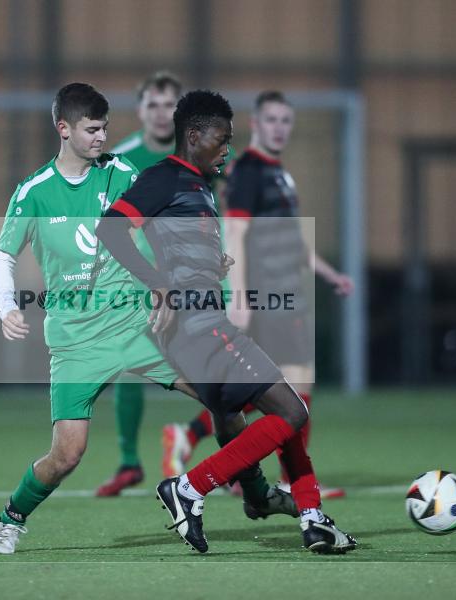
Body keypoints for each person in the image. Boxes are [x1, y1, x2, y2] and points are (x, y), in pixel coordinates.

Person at [0, 83, 294, 556]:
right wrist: (7, 307)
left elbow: (161, 220)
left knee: (222, 397)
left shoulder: (122, 172)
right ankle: (11, 519)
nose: (101, 137)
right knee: (68, 453)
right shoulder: (35, 193)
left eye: (105, 128)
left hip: (138, 325)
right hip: (76, 341)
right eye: (91, 129)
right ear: (62, 129)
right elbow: (3, 256)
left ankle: (255, 494)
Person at [96, 90, 356, 554]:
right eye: (222, 138)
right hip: (199, 326)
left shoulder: (198, 186)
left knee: (232, 422)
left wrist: (211, 265)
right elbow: (110, 229)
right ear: (193, 136)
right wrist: (158, 283)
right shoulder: (166, 177)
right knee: (292, 411)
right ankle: (190, 488)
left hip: (197, 324)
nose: (227, 149)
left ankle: (301, 514)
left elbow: (177, 247)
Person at [161, 91, 354, 501]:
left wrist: (329, 273)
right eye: (272, 120)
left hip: (288, 293)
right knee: (289, 390)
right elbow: (236, 232)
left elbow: (294, 241)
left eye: (286, 120)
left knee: (266, 390)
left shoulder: (279, 174)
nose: (279, 128)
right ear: (257, 123)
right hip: (266, 296)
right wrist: (241, 297)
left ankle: (199, 441)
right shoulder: (248, 170)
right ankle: (282, 480)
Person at [95, 71, 182, 497]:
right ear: (140, 110)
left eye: (169, 105)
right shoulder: (121, 159)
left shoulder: (203, 151)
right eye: (153, 105)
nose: (162, 113)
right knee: (129, 369)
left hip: (198, 276)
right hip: (143, 282)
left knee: (225, 367)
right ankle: (129, 462)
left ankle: (239, 466)